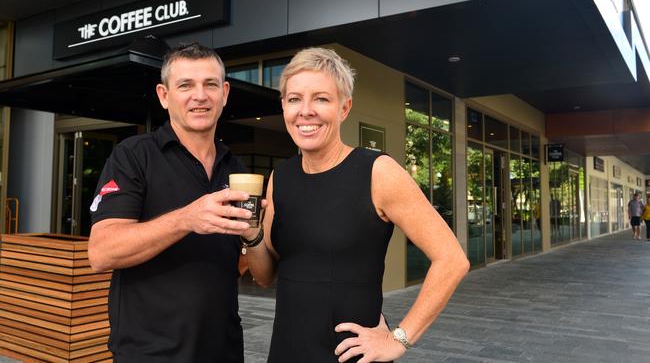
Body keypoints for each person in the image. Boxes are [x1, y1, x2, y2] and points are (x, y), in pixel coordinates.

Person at [241, 47, 469, 362]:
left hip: (352, 356)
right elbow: (265, 276)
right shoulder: (280, 177)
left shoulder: (378, 172)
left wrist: (398, 339)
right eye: (294, 99)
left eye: (321, 98)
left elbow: (452, 260)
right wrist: (250, 234)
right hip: (286, 351)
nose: (305, 110)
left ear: (344, 108)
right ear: (283, 106)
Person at [88, 42, 260, 362]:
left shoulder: (235, 169)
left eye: (210, 84)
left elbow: (233, 262)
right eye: (185, 85)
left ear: (224, 93)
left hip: (223, 351)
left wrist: (254, 238)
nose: (200, 95)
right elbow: (100, 252)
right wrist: (186, 219)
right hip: (150, 353)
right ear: (164, 96)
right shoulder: (133, 156)